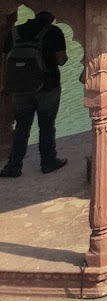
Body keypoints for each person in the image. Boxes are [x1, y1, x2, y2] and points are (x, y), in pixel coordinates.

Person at [2, 10, 69, 177]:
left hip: (19, 88)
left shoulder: (15, 31)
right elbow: (61, 59)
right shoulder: (54, 32)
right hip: (47, 87)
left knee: (21, 127)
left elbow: (5, 59)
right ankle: (48, 162)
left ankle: (14, 166)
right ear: (52, 16)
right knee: (46, 126)